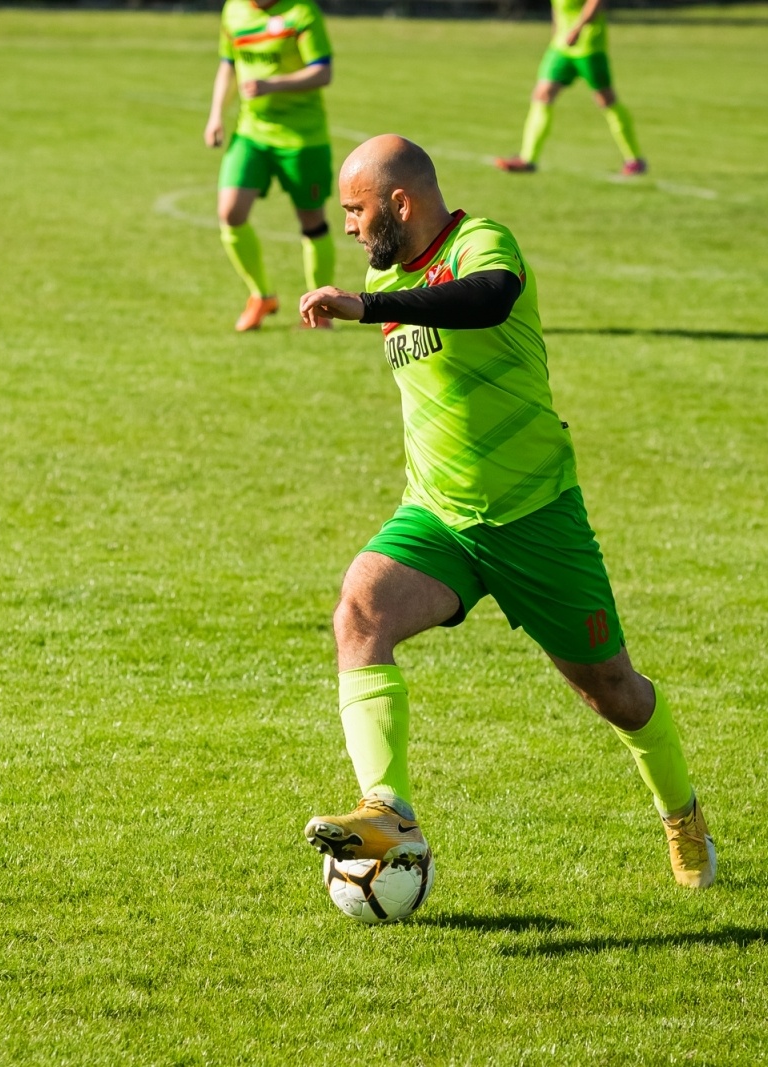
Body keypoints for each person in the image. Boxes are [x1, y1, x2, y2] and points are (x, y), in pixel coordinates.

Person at [297, 135, 712, 889]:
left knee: (612, 691)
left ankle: (681, 814)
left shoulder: (482, 242)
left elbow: (487, 298)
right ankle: (387, 811)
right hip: (439, 516)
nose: (349, 226)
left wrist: (369, 306)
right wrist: (376, 297)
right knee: (359, 611)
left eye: (356, 209)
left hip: (535, 516)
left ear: (401, 203)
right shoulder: (388, 271)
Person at [205, 0, 338, 331]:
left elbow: (323, 71)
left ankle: (321, 311)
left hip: (302, 136)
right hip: (251, 133)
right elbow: (228, 64)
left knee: (312, 221)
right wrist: (216, 114)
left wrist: (272, 84)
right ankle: (261, 295)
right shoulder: (234, 10)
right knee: (230, 213)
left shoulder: (301, 12)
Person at [492, 0, 647, 177]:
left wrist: (577, 29)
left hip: (589, 46)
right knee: (542, 94)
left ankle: (634, 159)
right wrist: (556, 33)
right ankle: (528, 159)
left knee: (606, 99)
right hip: (561, 47)